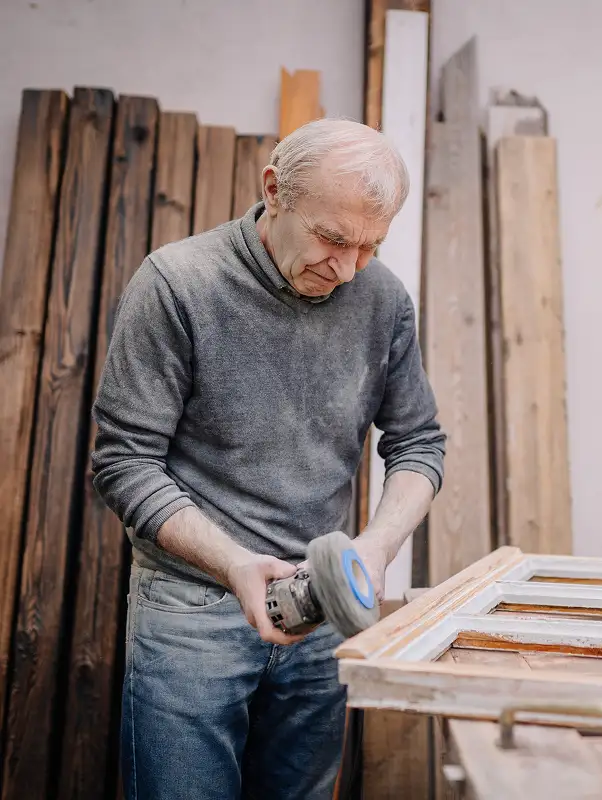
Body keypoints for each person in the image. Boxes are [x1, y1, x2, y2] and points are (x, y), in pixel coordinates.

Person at [90, 117, 446, 799]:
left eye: (370, 246)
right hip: (191, 610)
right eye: (332, 238)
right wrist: (234, 564)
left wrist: (373, 550)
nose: (347, 269)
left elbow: (418, 446)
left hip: (320, 616)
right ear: (274, 191)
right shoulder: (178, 284)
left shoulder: (383, 300)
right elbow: (125, 462)